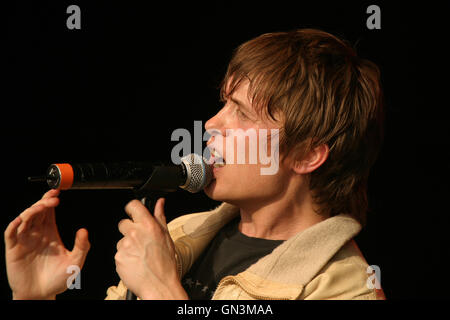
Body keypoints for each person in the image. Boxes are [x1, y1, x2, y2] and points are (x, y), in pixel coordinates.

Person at [5, 28, 385, 300]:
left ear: (307, 155)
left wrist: (161, 291)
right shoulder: (181, 233)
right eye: (224, 104)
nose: (212, 124)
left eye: (242, 113)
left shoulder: (346, 288)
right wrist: (34, 296)